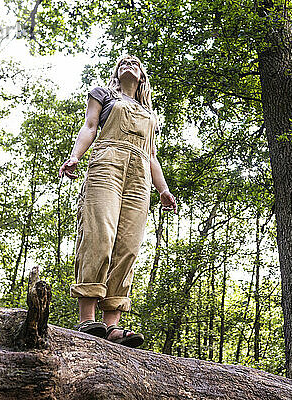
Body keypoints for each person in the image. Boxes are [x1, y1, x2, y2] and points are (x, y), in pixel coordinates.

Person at [58, 54, 177, 348]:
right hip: (107, 164)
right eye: (122, 62)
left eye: (135, 63)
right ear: (116, 72)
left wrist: (162, 189)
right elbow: (89, 127)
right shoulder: (103, 94)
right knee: (100, 234)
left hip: (140, 177)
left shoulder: (150, 114)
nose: (128, 64)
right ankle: (88, 318)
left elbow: (152, 156)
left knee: (128, 246)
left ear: (142, 77)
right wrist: (75, 157)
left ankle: (112, 325)